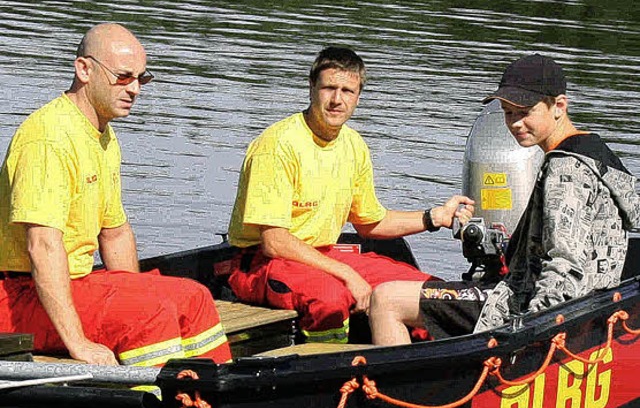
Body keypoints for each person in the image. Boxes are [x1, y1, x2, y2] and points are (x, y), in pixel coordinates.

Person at [0, 22, 232, 367]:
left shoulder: (103, 136)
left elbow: (115, 233)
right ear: (84, 69)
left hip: (76, 281)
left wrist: (136, 291)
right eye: (123, 77)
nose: (135, 89)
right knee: (149, 315)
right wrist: (79, 344)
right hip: (18, 295)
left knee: (194, 297)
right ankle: (156, 405)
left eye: (142, 79)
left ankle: (219, 396)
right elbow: (42, 246)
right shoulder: (48, 138)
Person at [369, 53, 640, 345]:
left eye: (525, 112)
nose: (515, 124)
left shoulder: (565, 170)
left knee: (386, 299)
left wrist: (531, 336)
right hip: (586, 306)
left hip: (525, 307)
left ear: (559, 106)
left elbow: (565, 266)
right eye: (508, 113)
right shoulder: (596, 153)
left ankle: (395, 391)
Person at [226, 44, 473, 343]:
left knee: (432, 292)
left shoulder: (354, 145)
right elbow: (274, 242)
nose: (336, 100)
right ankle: (329, 367)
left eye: (347, 91)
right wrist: (347, 273)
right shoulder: (278, 145)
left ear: (358, 96)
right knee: (329, 298)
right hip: (260, 262)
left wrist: (434, 217)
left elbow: (370, 223)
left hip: (322, 254)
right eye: (329, 88)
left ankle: (427, 367)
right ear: (311, 87)